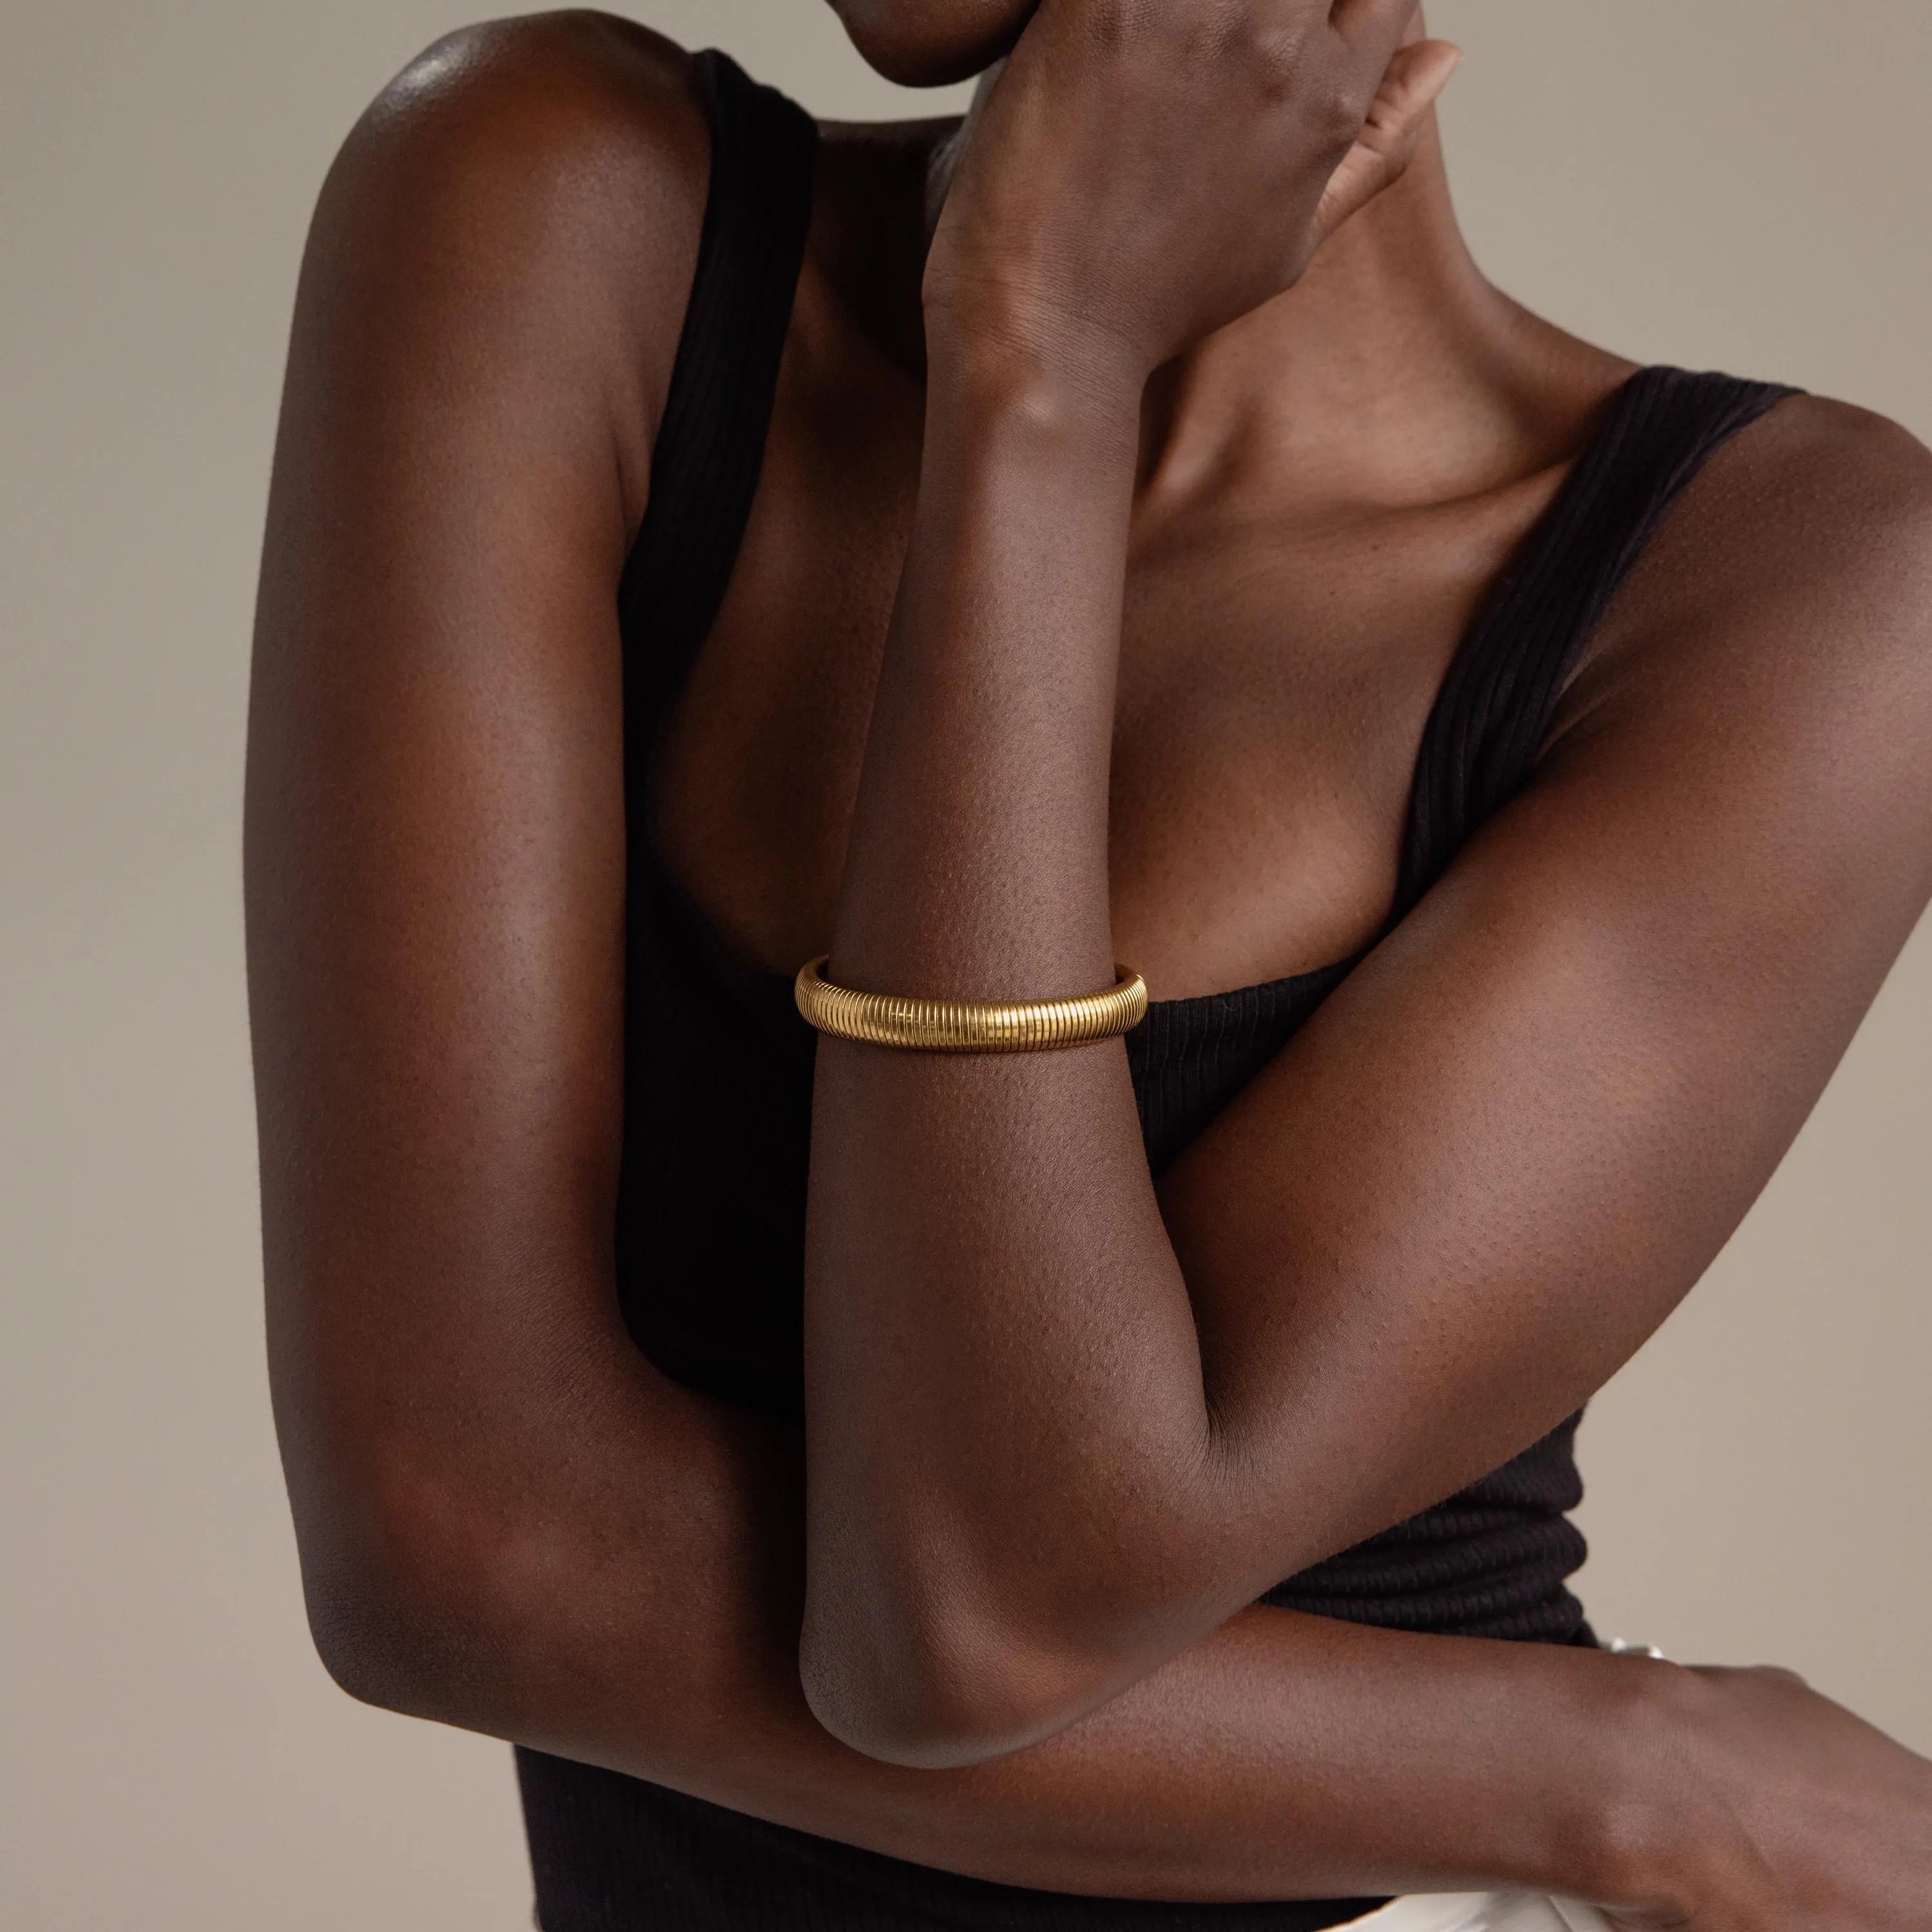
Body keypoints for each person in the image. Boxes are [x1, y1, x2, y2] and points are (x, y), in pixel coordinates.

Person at [244, 0, 1932, 1924]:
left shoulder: (1792, 587)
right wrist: (1629, 1777)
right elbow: (446, 1543)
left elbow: (972, 1610)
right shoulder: (554, 206)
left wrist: (1044, 370)